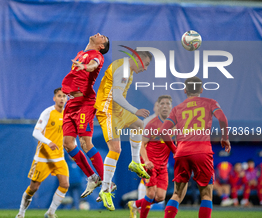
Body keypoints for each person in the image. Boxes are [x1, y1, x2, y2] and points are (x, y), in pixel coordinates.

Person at [158, 76, 231, 218]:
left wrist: (174, 149)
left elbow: (162, 131)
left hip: (182, 152)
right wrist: (225, 138)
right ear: (201, 89)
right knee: (206, 195)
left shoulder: (177, 109)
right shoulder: (210, 103)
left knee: (177, 194)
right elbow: (222, 118)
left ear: (185, 90)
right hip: (202, 152)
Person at [94, 50, 153, 211]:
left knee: (138, 125)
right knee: (116, 149)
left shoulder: (128, 68)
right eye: (146, 64)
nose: (146, 68)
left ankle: (135, 162)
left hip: (118, 110)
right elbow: (117, 96)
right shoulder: (124, 69)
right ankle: (105, 189)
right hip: (108, 110)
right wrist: (135, 110)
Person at [62, 33, 109, 198]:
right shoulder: (80, 54)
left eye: (102, 37)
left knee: (85, 142)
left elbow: (93, 66)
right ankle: (92, 177)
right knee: (68, 143)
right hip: (71, 104)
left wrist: (86, 67)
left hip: (85, 102)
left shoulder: (97, 56)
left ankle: (106, 182)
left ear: (101, 46)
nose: (99, 35)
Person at [16, 88, 68, 218]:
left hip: (59, 157)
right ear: (54, 98)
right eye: (59, 96)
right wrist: (48, 142)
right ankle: (21, 213)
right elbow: (36, 132)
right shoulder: (47, 112)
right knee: (34, 188)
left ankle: (51, 212)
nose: (62, 98)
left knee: (65, 184)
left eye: (64, 96)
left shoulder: (67, 114)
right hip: (43, 157)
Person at [128, 95, 174, 218]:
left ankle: (135, 204)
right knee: (151, 193)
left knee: (160, 197)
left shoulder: (174, 125)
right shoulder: (151, 124)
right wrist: (146, 161)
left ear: (171, 107)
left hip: (163, 165)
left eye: (167, 104)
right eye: (162, 104)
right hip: (150, 163)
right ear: (158, 107)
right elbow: (141, 144)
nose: (165, 106)